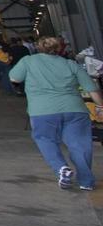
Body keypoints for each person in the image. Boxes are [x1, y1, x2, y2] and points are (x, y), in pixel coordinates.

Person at [8, 36, 102, 192]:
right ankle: (86, 181)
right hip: (75, 110)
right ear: (60, 49)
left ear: (38, 47)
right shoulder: (71, 64)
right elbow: (92, 89)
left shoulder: (28, 61)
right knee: (79, 145)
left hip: (42, 111)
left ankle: (61, 168)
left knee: (45, 139)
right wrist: (100, 107)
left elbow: (14, 78)